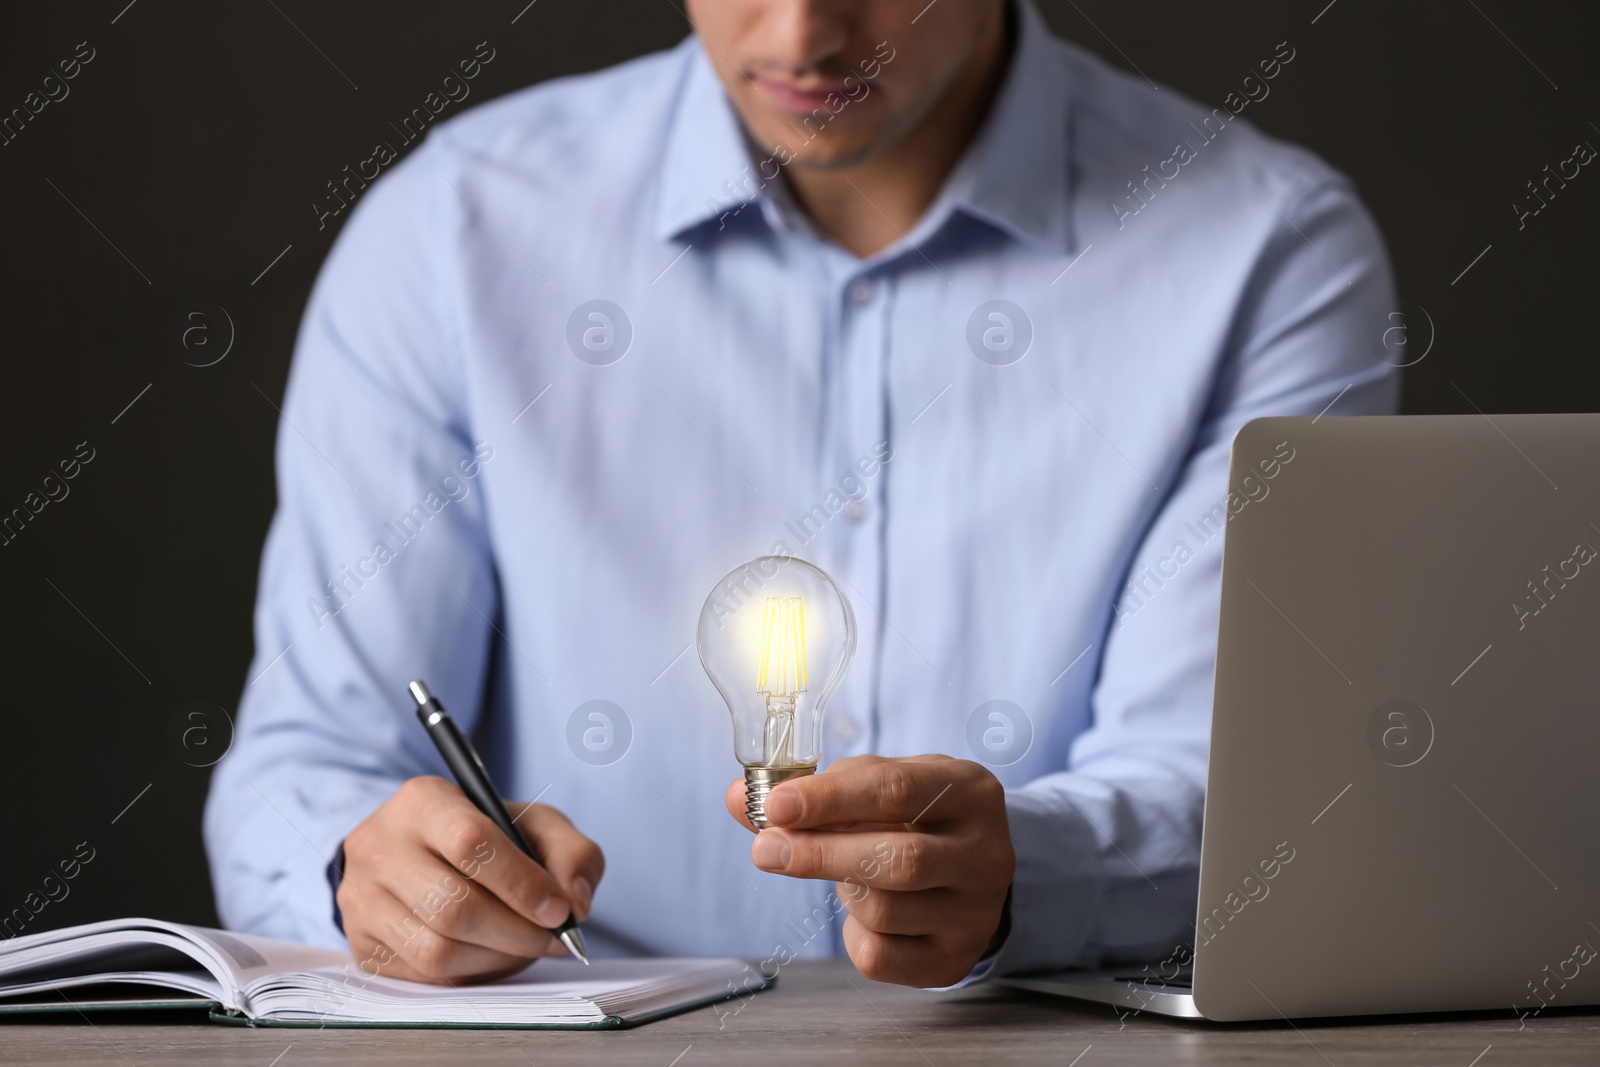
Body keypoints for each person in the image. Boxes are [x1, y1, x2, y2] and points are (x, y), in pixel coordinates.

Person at [204, 0, 1397, 989]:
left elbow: (1233, 787)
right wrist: (366, 867)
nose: (800, 34)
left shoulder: (1260, 253)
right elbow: (305, 760)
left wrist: (1022, 869)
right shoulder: (452, 232)